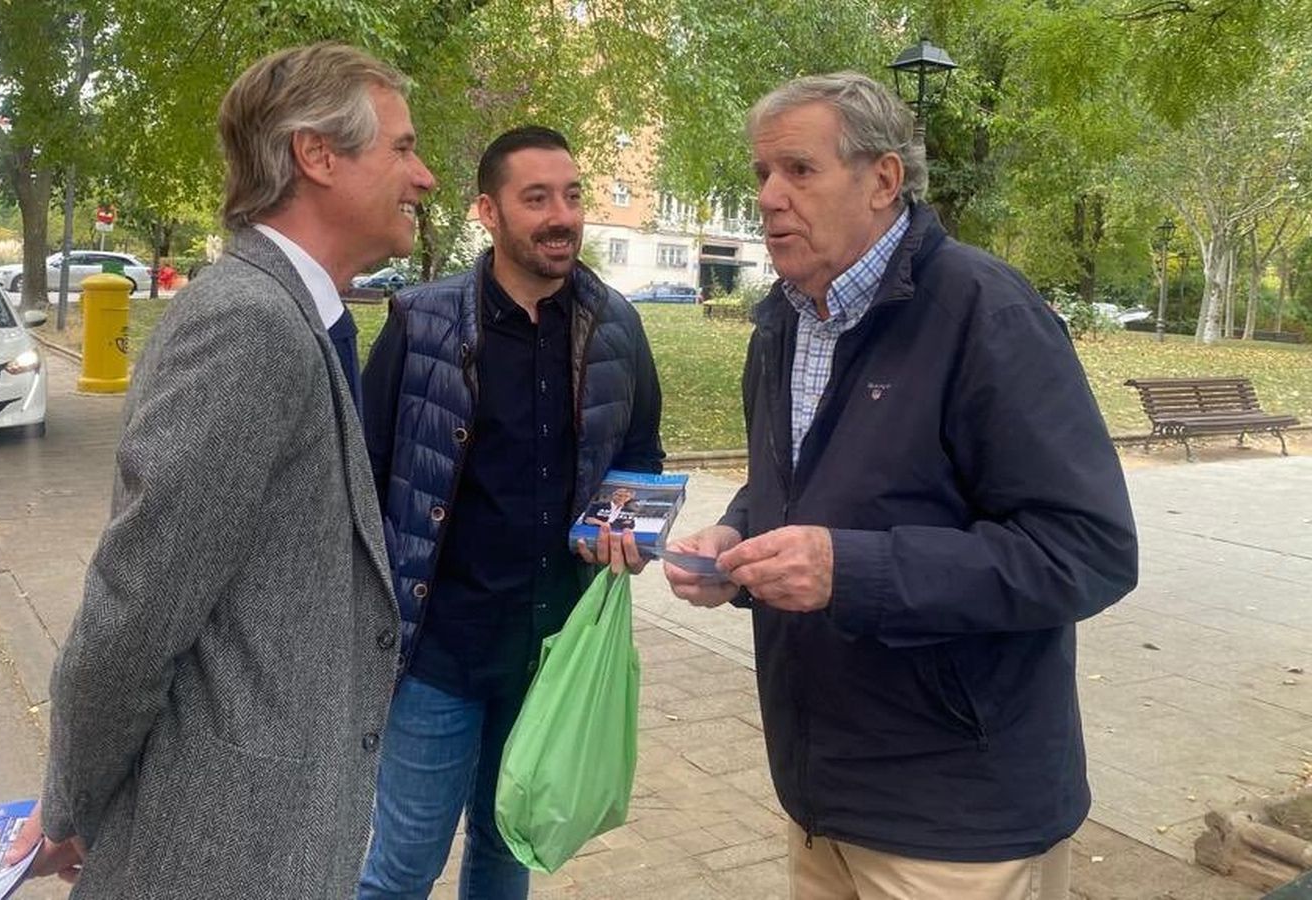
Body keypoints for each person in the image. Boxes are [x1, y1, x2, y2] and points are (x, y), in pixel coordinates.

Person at [664, 72, 1138, 899]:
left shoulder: (985, 312)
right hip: (819, 794)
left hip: (955, 817)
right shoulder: (781, 321)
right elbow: (805, 492)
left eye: (799, 171)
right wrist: (738, 539)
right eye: (761, 174)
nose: (769, 198)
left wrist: (853, 571)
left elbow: (1086, 551)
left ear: (882, 179)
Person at [0, 42, 436, 897]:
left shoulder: (300, 320)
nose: (422, 177)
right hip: (221, 851)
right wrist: (68, 808)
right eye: (402, 148)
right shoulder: (249, 326)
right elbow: (134, 610)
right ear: (317, 154)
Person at [356, 125, 664, 899]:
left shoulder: (618, 327)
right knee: (402, 867)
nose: (561, 215)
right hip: (437, 655)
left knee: (507, 848)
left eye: (572, 194)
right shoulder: (419, 323)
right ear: (488, 212)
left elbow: (639, 457)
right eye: (536, 198)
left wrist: (627, 530)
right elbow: (363, 476)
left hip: (549, 653)